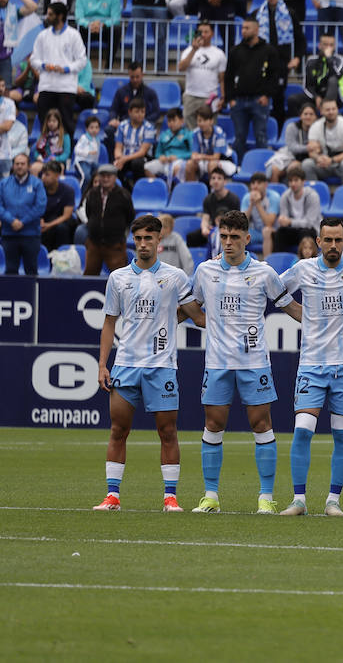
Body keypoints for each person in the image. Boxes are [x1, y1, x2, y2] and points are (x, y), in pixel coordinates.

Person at [93, 214, 203, 512]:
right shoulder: (118, 278)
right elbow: (108, 323)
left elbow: (198, 316)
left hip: (162, 367)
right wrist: (103, 364)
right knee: (118, 430)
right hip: (126, 365)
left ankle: (170, 498)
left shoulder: (175, 277)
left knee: (168, 432)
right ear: (134, 241)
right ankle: (112, 496)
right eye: (138, 238)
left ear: (159, 240)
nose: (143, 244)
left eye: (148, 238)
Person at [276, 216, 343, 517]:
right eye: (328, 240)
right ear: (318, 242)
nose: (333, 245)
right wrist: (300, 313)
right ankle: (298, 500)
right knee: (303, 432)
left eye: (338, 240)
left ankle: (333, 501)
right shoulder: (303, 269)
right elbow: (273, 288)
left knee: (342, 435)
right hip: (311, 363)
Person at [188, 209, 292, 514]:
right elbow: (193, 309)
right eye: (224, 236)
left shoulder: (264, 272)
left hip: (254, 363)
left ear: (247, 238)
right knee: (213, 424)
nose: (229, 242)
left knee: (261, 425)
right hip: (218, 363)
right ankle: (210, 496)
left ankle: (265, 498)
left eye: (235, 237)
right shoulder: (205, 271)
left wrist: (323, 319)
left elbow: (289, 306)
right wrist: (212, 323)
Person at [30, 2, 88, 134]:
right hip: (46, 86)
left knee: (66, 122)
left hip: (66, 87)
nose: (47, 17)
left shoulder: (73, 35)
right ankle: (45, 152)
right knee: (44, 122)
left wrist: (66, 69)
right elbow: (34, 59)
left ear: (60, 16)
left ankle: (67, 152)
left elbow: (82, 60)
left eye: (50, 14)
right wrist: (44, 65)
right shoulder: (42, 35)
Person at [225, 19, 278, 163]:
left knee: (261, 135)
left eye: (247, 28)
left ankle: (263, 166)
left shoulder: (268, 50)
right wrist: (230, 99)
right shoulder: (235, 51)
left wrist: (267, 95)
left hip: (259, 100)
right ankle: (239, 166)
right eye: (242, 28)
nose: (243, 31)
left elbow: (274, 76)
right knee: (239, 136)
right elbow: (228, 76)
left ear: (256, 30)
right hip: (239, 101)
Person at [82, 163, 133, 275]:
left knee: (120, 278)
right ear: (98, 177)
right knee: (89, 276)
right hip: (94, 243)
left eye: (109, 176)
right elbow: (88, 213)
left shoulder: (123, 195)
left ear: (115, 177)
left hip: (115, 244)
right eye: (103, 176)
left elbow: (130, 216)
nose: (105, 179)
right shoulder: (92, 193)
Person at [0, 154, 46, 275]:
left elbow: (40, 207)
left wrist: (23, 222)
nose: (19, 166)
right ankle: (9, 295)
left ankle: (31, 295)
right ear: (13, 166)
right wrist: (11, 221)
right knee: (10, 271)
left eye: (22, 164)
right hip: (9, 234)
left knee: (31, 271)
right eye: (17, 164)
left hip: (30, 235)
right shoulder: (4, 184)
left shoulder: (37, 184)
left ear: (29, 166)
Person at [177, 23, 228, 119]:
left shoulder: (219, 53)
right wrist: (194, 50)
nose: (203, 35)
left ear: (212, 34)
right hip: (191, 96)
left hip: (210, 97)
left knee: (209, 128)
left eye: (206, 32)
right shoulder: (188, 51)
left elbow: (222, 79)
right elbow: (181, 68)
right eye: (201, 32)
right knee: (190, 130)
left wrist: (223, 97)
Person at [304, 98, 343, 185]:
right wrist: (319, 158)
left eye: (334, 109)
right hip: (325, 163)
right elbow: (311, 152)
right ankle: (315, 193)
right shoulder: (315, 126)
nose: (331, 112)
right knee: (307, 164)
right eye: (328, 110)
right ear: (321, 111)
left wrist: (332, 160)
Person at [273, 165, 322, 253]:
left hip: (310, 230)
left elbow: (310, 223)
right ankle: (278, 261)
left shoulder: (312, 196)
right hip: (293, 230)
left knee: (305, 232)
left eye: (296, 180)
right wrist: (282, 220)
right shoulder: (285, 196)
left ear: (303, 181)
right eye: (290, 181)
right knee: (280, 233)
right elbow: (284, 218)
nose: (293, 184)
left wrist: (290, 222)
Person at [112, 97, 155, 187]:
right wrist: (119, 158)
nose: (140, 114)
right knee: (115, 166)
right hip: (125, 157)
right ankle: (125, 190)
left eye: (142, 112)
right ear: (129, 112)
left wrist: (124, 159)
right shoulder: (122, 126)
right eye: (137, 112)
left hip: (142, 158)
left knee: (137, 163)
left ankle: (139, 189)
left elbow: (142, 152)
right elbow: (118, 147)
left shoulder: (149, 128)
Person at [146, 107, 192, 183]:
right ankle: (159, 188)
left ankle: (176, 190)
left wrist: (178, 157)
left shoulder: (188, 135)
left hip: (181, 162)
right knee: (147, 167)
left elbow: (192, 154)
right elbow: (158, 153)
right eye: (169, 121)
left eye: (174, 120)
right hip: (165, 162)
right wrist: (161, 157)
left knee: (177, 168)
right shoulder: (163, 135)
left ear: (182, 121)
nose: (171, 123)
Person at [39, 161, 76, 250]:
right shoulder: (38, 189)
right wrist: (40, 220)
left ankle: (62, 255)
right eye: (42, 174)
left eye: (47, 175)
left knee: (61, 228)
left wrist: (49, 225)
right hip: (45, 219)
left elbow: (66, 215)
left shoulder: (68, 190)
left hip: (62, 220)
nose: (43, 177)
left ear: (57, 176)